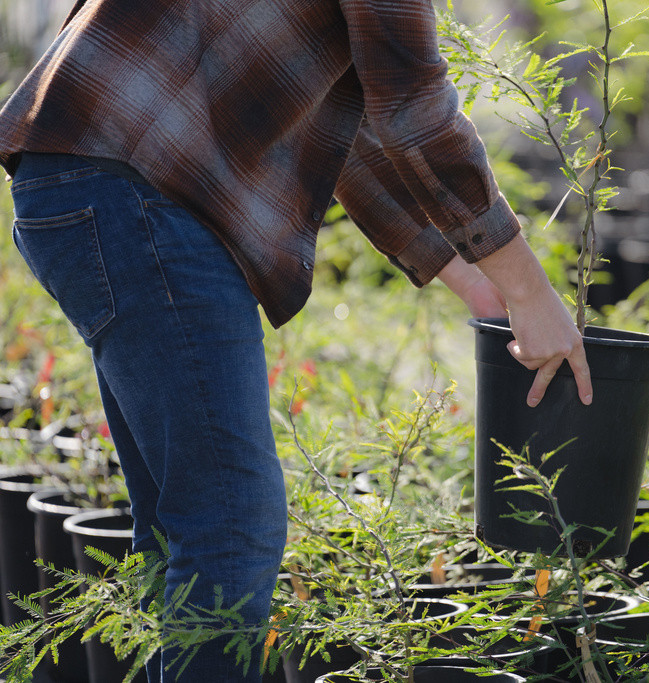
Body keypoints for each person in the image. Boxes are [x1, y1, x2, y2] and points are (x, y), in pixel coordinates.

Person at [0, 0, 592, 680]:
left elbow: (356, 134)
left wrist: (483, 287)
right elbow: (416, 111)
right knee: (231, 523)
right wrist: (528, 288)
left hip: (91, 171)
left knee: (185, 525)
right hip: (137, 187)